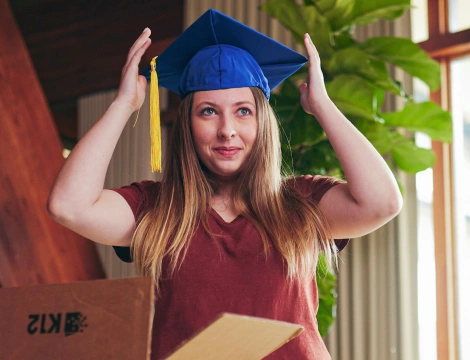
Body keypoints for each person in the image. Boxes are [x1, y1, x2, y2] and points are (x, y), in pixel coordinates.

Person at [47, 9, 402, 360]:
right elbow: (69, 206)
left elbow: (382, 203)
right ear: (188, 125)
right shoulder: (158, 209)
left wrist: (323, 106)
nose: (227, 130)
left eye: (243, 111)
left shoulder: (300, 202)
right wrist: (124, 104)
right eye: (208, 111)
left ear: (262, 122)